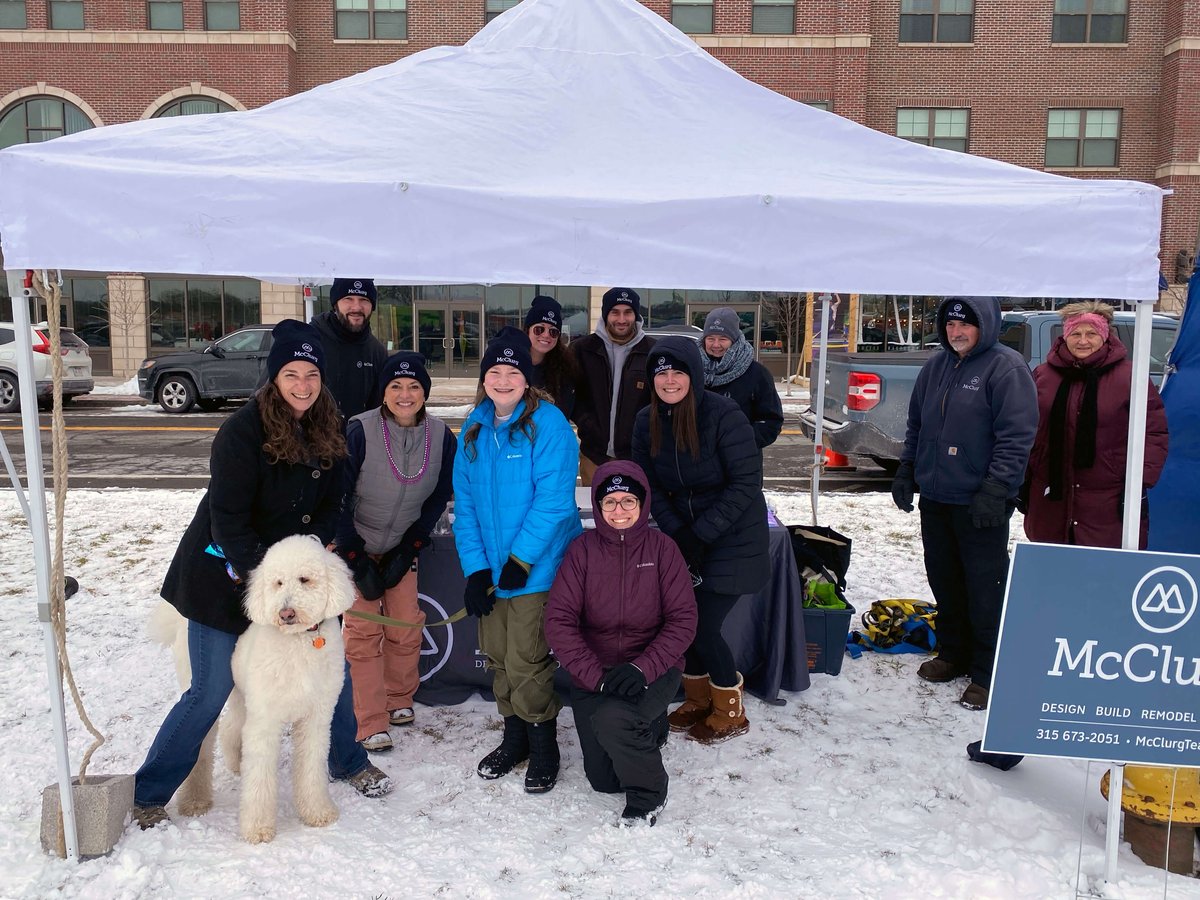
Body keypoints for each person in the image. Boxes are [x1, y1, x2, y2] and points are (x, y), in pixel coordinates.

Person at [133, 320, 392, 829]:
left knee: (326, 682)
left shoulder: (329, 424)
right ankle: (150, 790)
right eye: (291, 373)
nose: (302, 384)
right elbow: (227, 517)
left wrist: (305, 559)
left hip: (296, 575)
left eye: (311, 374)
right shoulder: (241, 431)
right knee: (208, 691)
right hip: (223, 574)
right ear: (275, 377)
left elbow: (334, 502)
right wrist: (271, 586)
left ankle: (347, 762)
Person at [890, 297, 1037, 712]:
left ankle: (988, 670)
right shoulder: (936, 367)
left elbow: (1016, 436)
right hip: (937, 497)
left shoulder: (1005, 368)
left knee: (984, 588)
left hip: (980, 501)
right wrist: (906, 471)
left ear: (985, 325)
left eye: (966, 325)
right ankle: (952, 654)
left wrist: (997, 489)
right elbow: (916, 425)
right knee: (945, 580)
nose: (956, 332)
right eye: (951, 325)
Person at [452, 327, 582, 793]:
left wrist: (522, 560)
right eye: (494, 371)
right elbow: (463, 507)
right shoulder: (472, 428)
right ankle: (516, 737)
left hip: (537, 568)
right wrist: (477, 570)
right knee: (499, 657)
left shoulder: (549, 425)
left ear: (527, 379)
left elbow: (554, 502)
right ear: (484, 378)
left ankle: (543, 743)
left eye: (513, 372)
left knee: (526, 660)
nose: (503, 379)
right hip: (492, 570)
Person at [631, 335, 768, 744]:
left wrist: (701, 534)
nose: (670, 381)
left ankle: (730, 710)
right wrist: (679, 533)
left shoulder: (724, 415)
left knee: (702, 627)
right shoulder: (646, 421)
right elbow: (647, 483)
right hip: (688, 538)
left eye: (678, 372)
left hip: (734, 538)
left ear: (694, 375)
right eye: (662, 373)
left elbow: (746, 483)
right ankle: (697, 697)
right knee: (683, 621)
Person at [544, 461, 697, 826]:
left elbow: (683, 620)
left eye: (628, 501)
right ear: (598, 507)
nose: (619, 511)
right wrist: (595, 677)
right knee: (604, 781)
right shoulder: (582, 551)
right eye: (610, 502)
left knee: (615, 718)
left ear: (643, 503)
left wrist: (642, 668)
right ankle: (648, 727)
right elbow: (559, 621)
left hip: (652, 667)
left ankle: (649, 794)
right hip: (595, 671)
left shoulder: (663, 550)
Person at [336, 351, 457, 752]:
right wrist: (353, 556)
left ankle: (398, 698)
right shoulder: (360, 430)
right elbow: (335, 497)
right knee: (363, 631)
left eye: (414, 386)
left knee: (406, 625)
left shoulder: (441, 436)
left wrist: (412, 544)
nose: (405, 394)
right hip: (356, 545)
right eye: (395, 386)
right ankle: (369, 719)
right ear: (383, 391)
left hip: (402, 546)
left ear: (425, 392)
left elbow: (441, 492)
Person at [1022, 301, 1168, 549]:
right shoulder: (1043, 375)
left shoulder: (1131, 376)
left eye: (1091, 334)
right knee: (1053, 574)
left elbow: (1154, 432)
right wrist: (1024, 477)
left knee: (1104, 577)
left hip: (1108, 500)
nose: (1083, 341)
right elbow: (1026, 429)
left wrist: (1138, 483)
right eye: (1075, 333)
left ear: (1105, 336)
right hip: (1050, 496)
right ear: (1065, 336)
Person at [572, 287, 656, 484]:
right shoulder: (582, 349)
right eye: (615, 312)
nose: (621, 319)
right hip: (593, 455)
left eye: (628, 312)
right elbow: (571, 395)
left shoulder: (652, 351)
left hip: (637, 456)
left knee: (632, 511)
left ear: (636, 315)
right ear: (605, 314)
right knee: (593, 511)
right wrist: (586, 423)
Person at [700, 307, 784, 451]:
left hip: (741, 461)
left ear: (735, 340)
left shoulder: (757, 373)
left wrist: (744, 442)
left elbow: (771, 421)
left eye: (723, 339)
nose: (715, 345)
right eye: (710, 338)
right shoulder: (692, 368)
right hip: (699, 461)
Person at [310, 278, 389, 420]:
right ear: (335, 304)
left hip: (359, 439)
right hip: (314, 439)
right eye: (348, 299)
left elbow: (378, 409)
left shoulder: (377, 352)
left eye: (364, 299)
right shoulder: (309, 342)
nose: (356, 307)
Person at [525, 295, 578, 418]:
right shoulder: (510, 364)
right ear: (527, 330)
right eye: (539, 329)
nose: (546, 335)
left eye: (553, 331)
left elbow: (564, 414)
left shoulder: (565, 370)